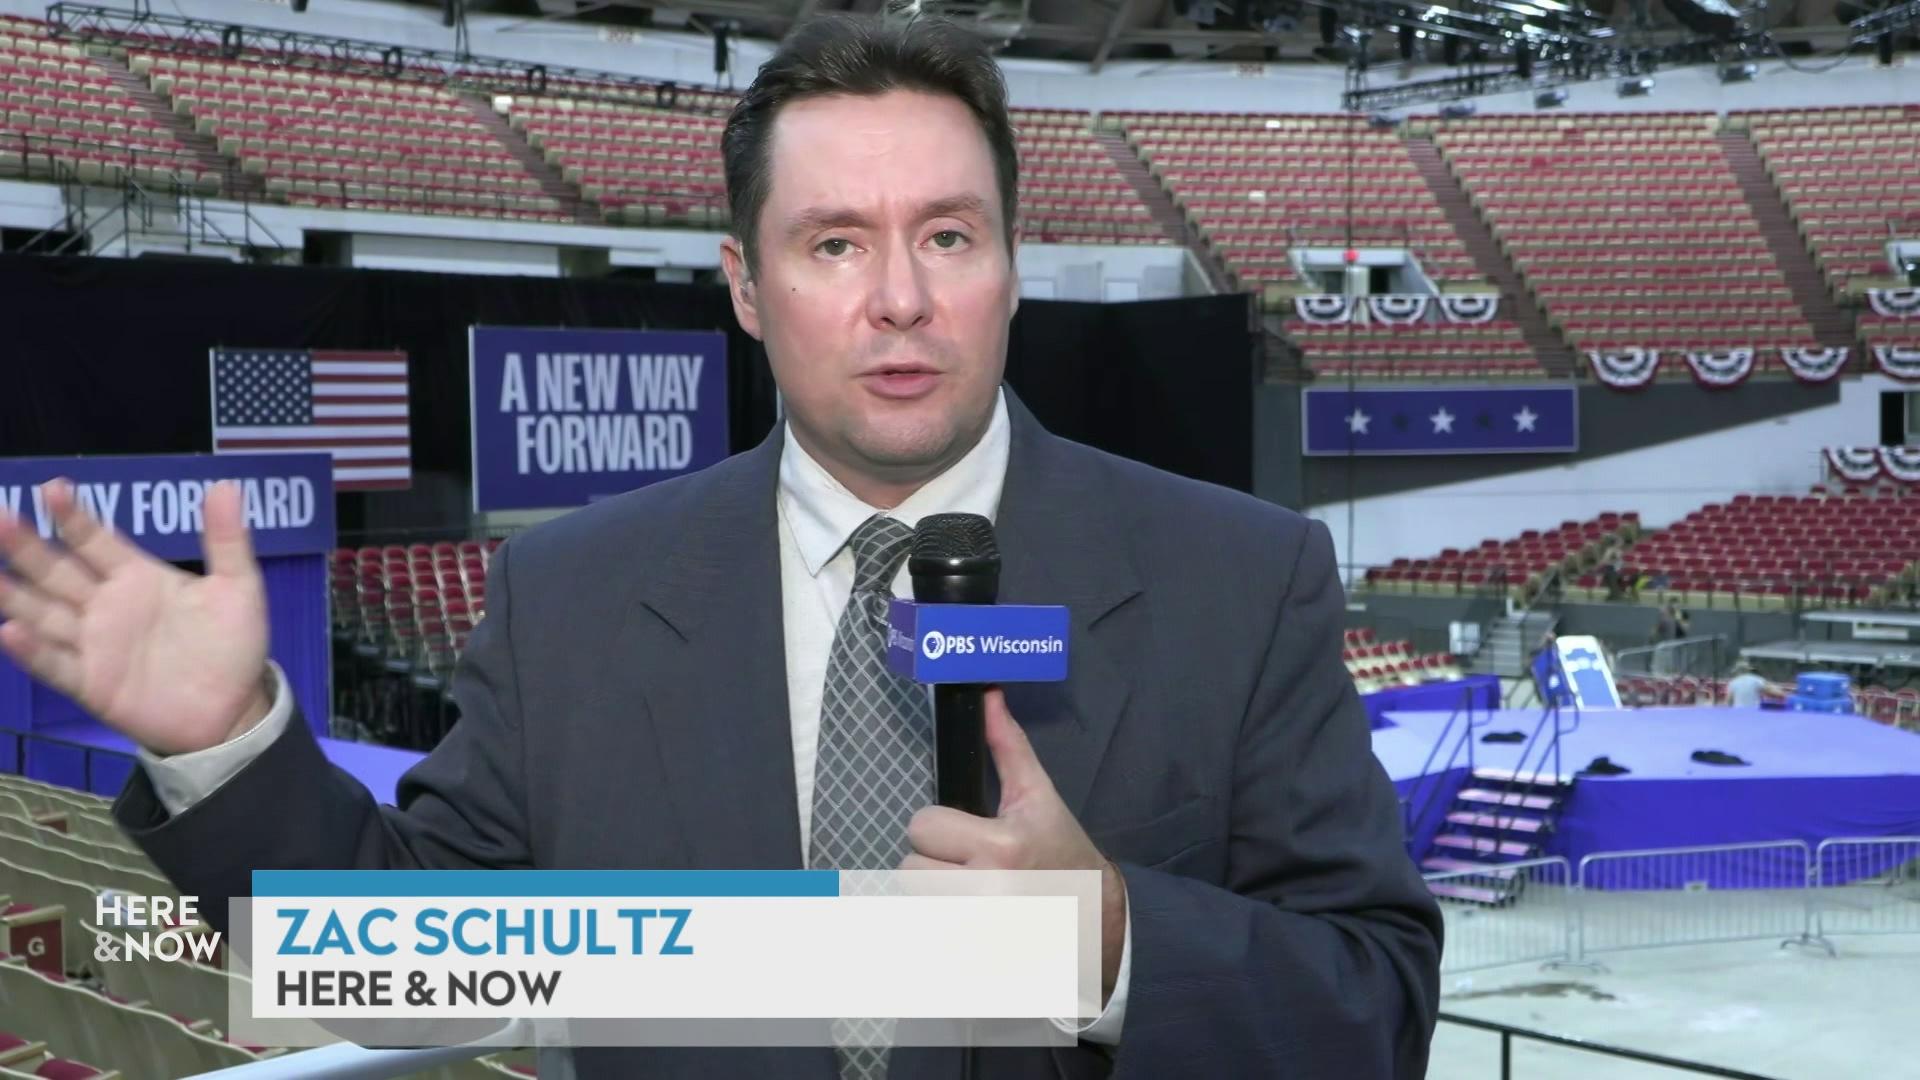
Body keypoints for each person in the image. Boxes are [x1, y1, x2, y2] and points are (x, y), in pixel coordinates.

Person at [0, 16, 1440, 1080]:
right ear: (747, 289)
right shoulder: (570, 599)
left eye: (948, 236)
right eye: (833, 245)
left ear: (1010, 266)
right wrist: (229, 749)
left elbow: (1373, 1009)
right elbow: (410, 970)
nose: (898, 299)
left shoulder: (1240, 582)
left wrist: (1114, 938)